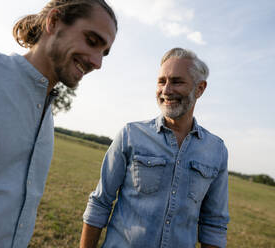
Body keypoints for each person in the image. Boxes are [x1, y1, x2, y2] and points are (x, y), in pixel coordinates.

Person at [0, 0, 117, 247]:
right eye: (91, 41)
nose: (97, 62)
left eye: (104, 52)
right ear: (54, 21)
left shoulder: (45, 116)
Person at [80, 48, 229, 248]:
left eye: (177, 81)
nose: (166, 90)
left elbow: (214, 224)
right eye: (161, 81)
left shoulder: (216, 150)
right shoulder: (130, 135)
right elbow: (100, 203)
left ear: (200, 88)